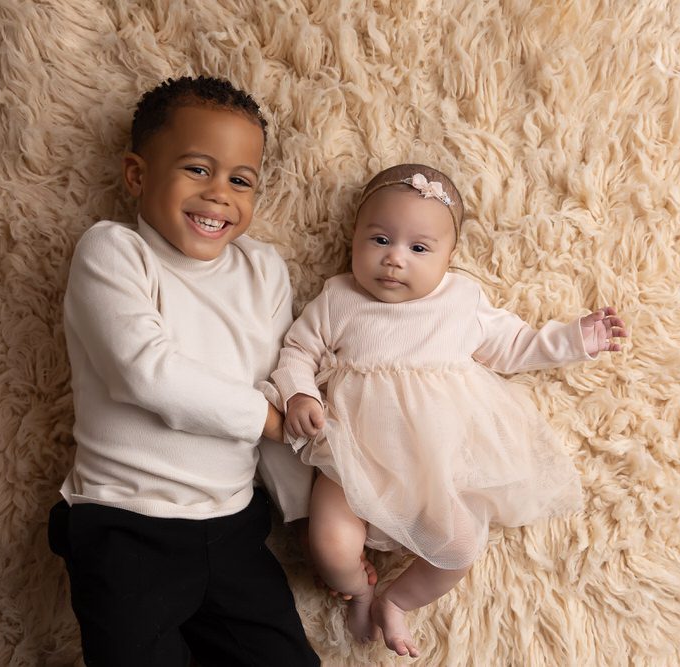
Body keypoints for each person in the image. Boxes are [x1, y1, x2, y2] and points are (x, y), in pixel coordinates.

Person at [267, 163, 629, 659]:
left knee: (459, 548)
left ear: (449, 257)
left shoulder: (462, 300)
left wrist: (573, 339)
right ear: (354, 239)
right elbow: (297, 351)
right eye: (379, 240)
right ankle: (359, 591)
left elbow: (514, 347)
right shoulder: (339, 298)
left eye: (419, 249)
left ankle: (397, 600)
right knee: (328, 547)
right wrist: (300, 395)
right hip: (351, 461)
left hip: (437, 468)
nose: (394, 259)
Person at [47, 75, 321, 667]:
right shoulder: (115, 252)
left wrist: (302, 516)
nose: (219, 195)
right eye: (198, 169)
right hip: (127, 526)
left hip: (232, 525)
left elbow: (277, 388)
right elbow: (146, 372)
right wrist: (266, 420)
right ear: (137, 175)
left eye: (240, 181)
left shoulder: (263, 270)